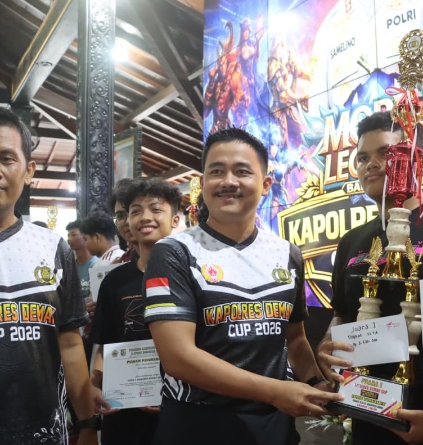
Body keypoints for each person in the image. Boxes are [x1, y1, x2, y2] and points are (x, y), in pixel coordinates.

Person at [143, 128, 341, 445]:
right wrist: (275, 391)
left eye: (242, 171)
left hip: (274, 426)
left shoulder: (287, 254)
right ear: (203, 184)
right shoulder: (174, 252)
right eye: (216, 171)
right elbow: (177, 357)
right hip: (196, 424)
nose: (228, 181)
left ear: (265, 185)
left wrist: (316, 382)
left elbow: (294, 339)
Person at [316, 111, 423, 445]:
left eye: (386, 153)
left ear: (415, 160)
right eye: (363, 158)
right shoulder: (352, 240)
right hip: (369, 411)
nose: (372, 164)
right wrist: (327, 345)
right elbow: (342, 313)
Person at [0, 107, 97, 444]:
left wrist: (89, 424)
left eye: (6, 158)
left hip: (46, 435)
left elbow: (69, 344)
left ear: (28, 170)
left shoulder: (54, 248)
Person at [89, 177, 182, 444]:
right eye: (136, 211)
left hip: (181, 405)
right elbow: (106, 342)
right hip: (125, 410)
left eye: (155, 209)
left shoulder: (191, 277)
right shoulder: (114, 281)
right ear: (127, 222)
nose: (145, 217)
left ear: (175, 220)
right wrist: (93, 384)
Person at [67, 220, 99, 299]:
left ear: (85, 236)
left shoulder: (96, 264)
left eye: (73, 235)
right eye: (68, 235)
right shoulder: (69, 266)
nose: (69, 239)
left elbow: (93, 299)